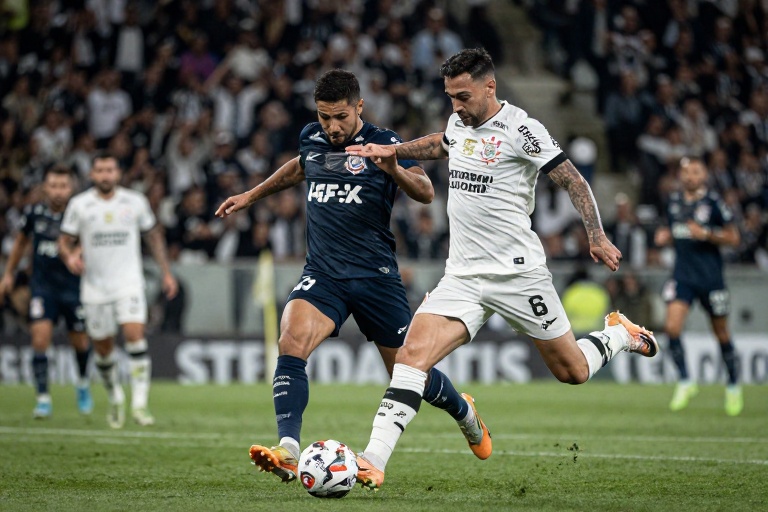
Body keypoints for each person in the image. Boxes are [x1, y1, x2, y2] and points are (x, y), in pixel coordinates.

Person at [346, 48, 659, 491]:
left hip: (519, 276)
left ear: (489, 87)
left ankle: (618, 335)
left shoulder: (522, 129)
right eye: (451, 97)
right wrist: (393, 151)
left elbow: (572, 179)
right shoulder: (459, 122)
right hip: (462, 276)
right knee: (410, 358)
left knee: (572, 371)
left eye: (464, 96)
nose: (456, 105)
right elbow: (441, 142)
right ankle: (373, 460)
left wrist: (596, 235)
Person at [215, 69, 490, 484]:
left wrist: (392, 167)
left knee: (408, 371)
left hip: (375, 277)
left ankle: (465, 412)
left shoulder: (385, 141)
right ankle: (288, 449)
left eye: (340, 117)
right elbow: (299, 168)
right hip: (323, 273)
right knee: (291, 340)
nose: (332, 127)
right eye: (324, 117)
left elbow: (426, 191)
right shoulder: (312, 138)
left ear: (359, 107)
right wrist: (251, 195)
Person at [58, 154, 178, 428]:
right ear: (92, 174)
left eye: (110, 169)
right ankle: (114, 397)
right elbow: (64, 240)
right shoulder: (80, 204)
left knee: (135, 335)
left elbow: (153, 236)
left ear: (118, 173)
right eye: (100, 170)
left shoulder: (135, 202)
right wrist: (69, 256)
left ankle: (139, 405)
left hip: (129, 282)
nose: (105, 175)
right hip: (95, 287)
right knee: (103, 349)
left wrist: (166, 272)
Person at [0, 166, 92, 419]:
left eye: (63, 186)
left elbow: (90, 241)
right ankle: (42, 399)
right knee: (40, 339)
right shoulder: (34, 213)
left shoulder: (80, 214)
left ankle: (83, 383)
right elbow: (21, 243)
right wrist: (8, 274)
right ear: (45, 188)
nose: (58, 191)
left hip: (74, 288)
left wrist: (78, 254)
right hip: (43, 287)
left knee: (80, 342)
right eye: (53, 186)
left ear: (71, 188)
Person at [654, 157, 742, 416]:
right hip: (683, 276)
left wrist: (707, 234)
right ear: (680, 176)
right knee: (671, 328)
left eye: (696, 172)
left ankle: (733, 385)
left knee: (721, 333)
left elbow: (734, 237)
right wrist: (665, 237)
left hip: (711, 279)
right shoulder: (673, 202)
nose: (690, 176)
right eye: (686, 172)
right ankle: (685, 381)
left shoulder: (714, 203)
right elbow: (673, 232)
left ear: (704, 175)